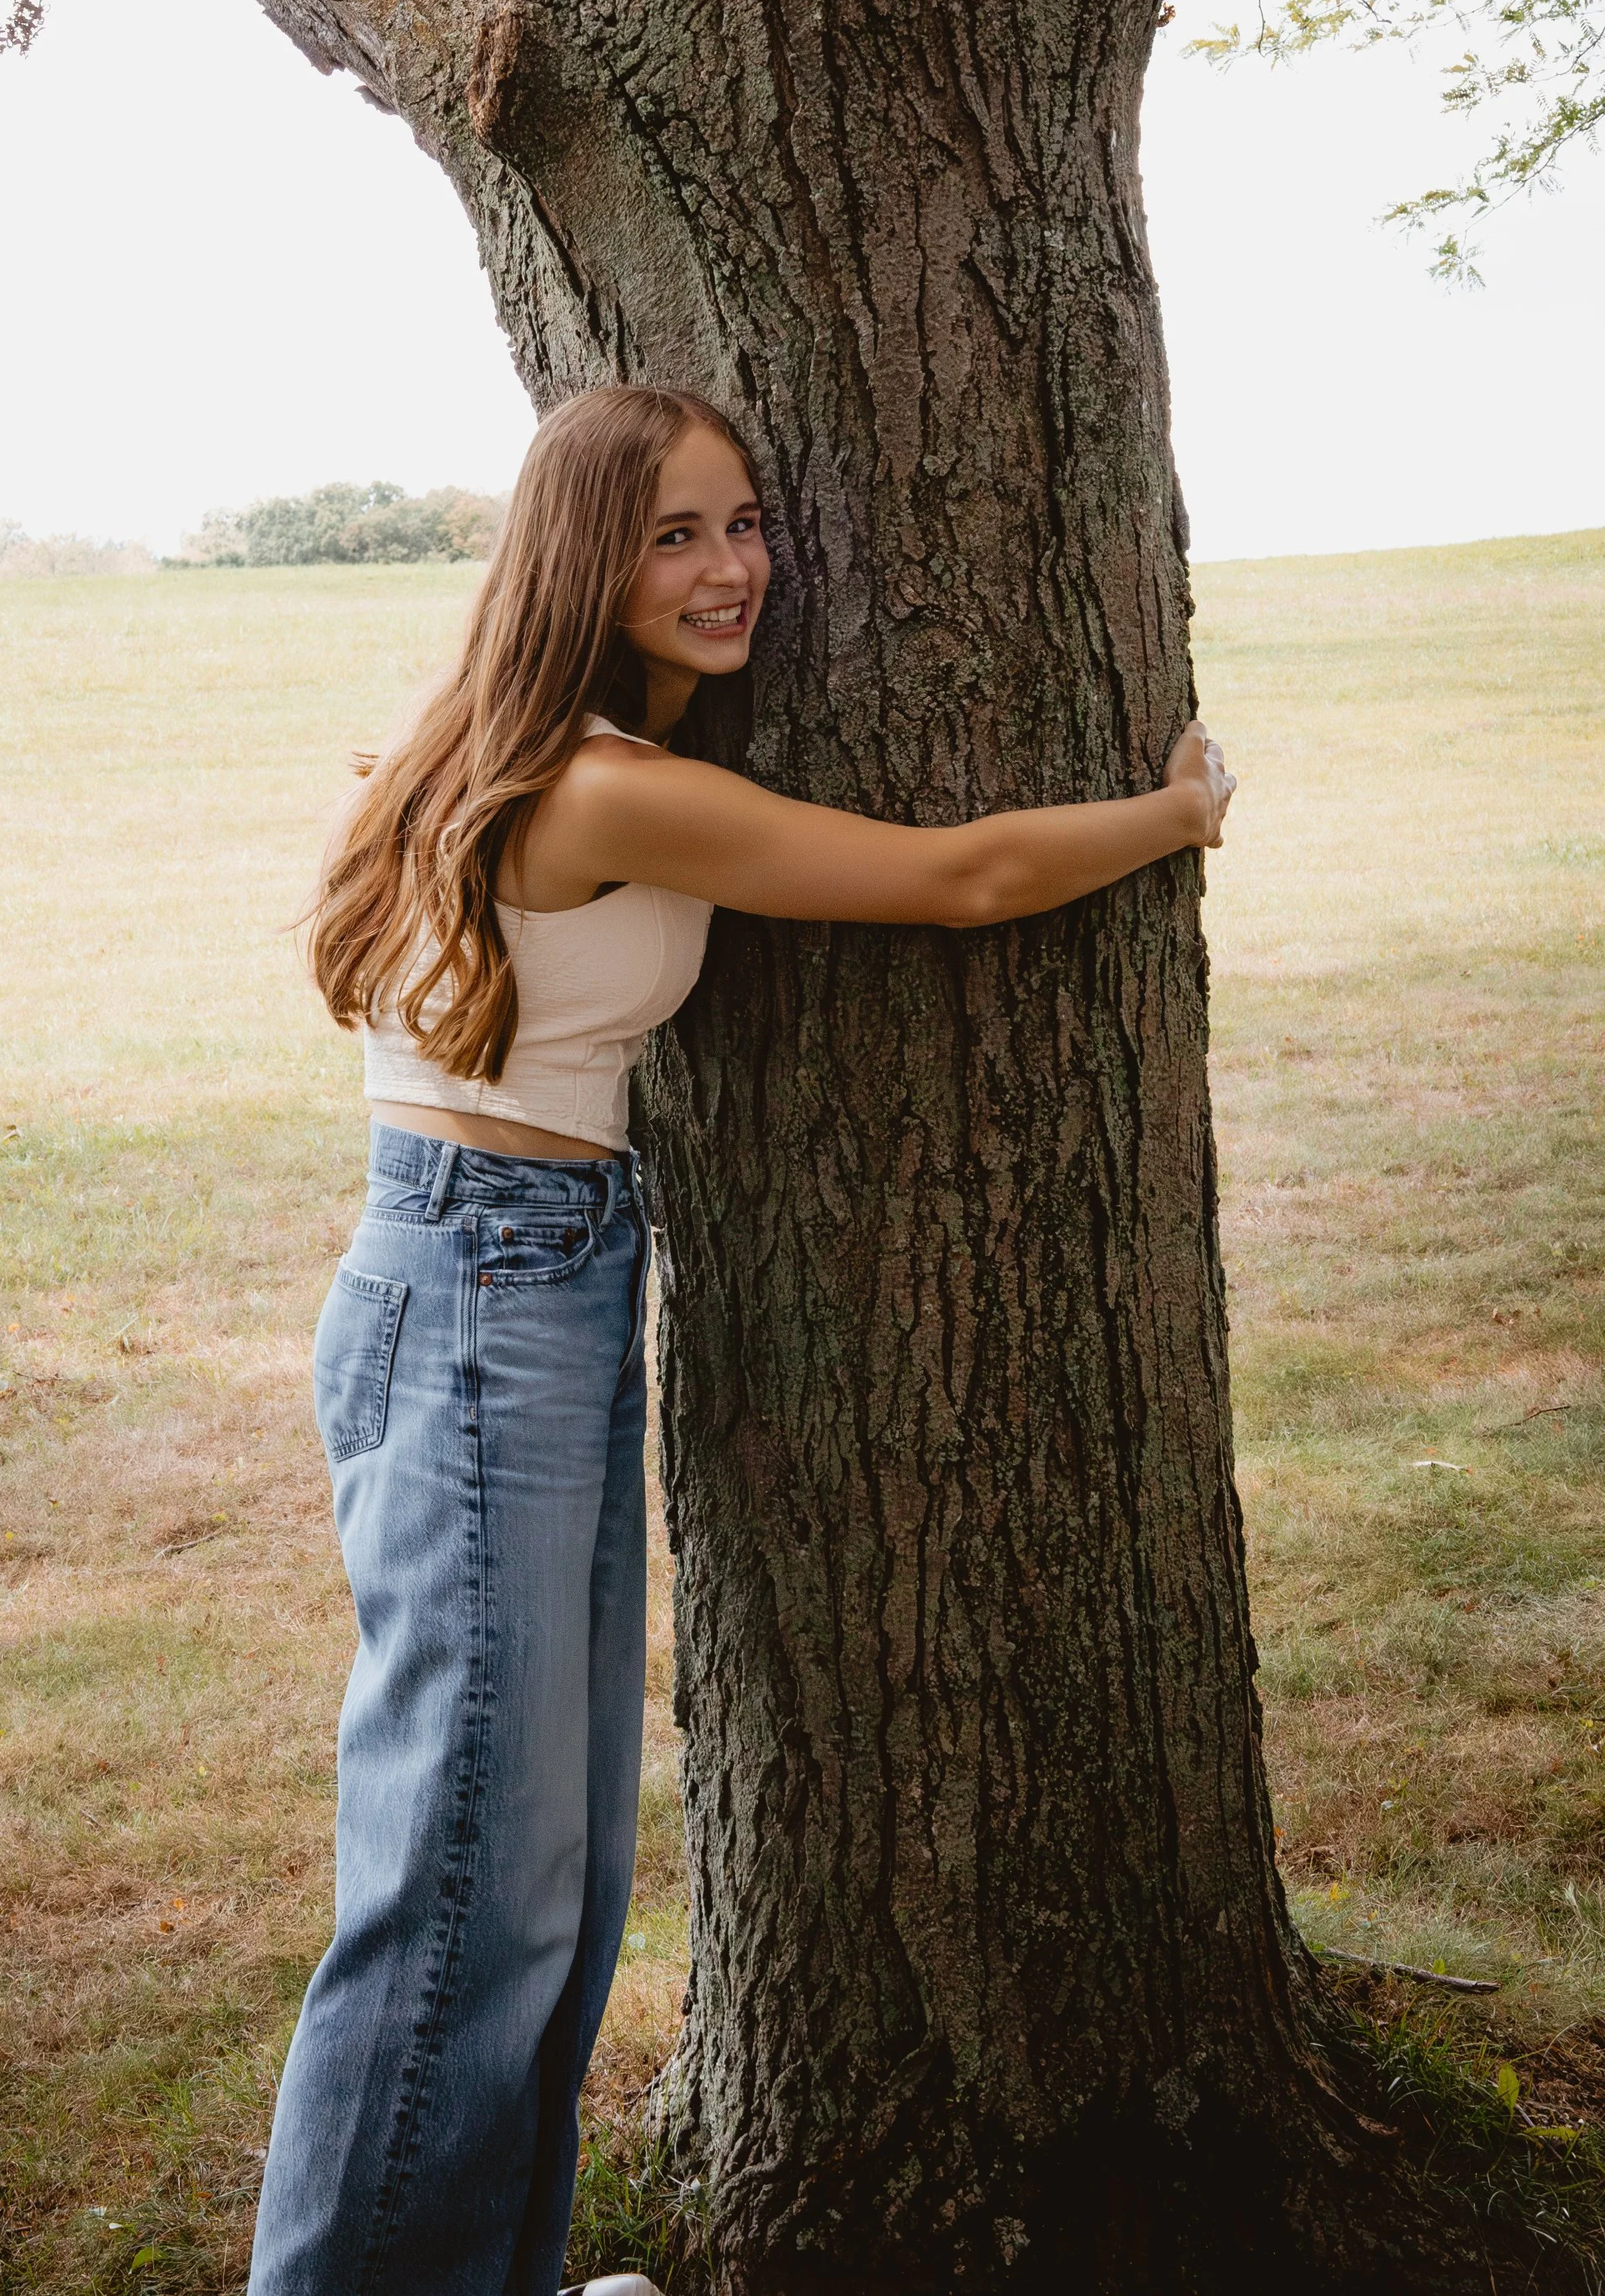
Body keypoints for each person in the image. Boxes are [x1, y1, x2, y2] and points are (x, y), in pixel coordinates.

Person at [246, 384, 1235, 2296]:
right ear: (583, 560)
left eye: (742, 523)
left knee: (545, 1875)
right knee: (460, 1885)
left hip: (516, 1280)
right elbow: (958, 879)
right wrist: (1176, 810)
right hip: (480, 1297)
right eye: (673, 535)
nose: (730, 569)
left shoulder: (515, 740)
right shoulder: (602, 784)